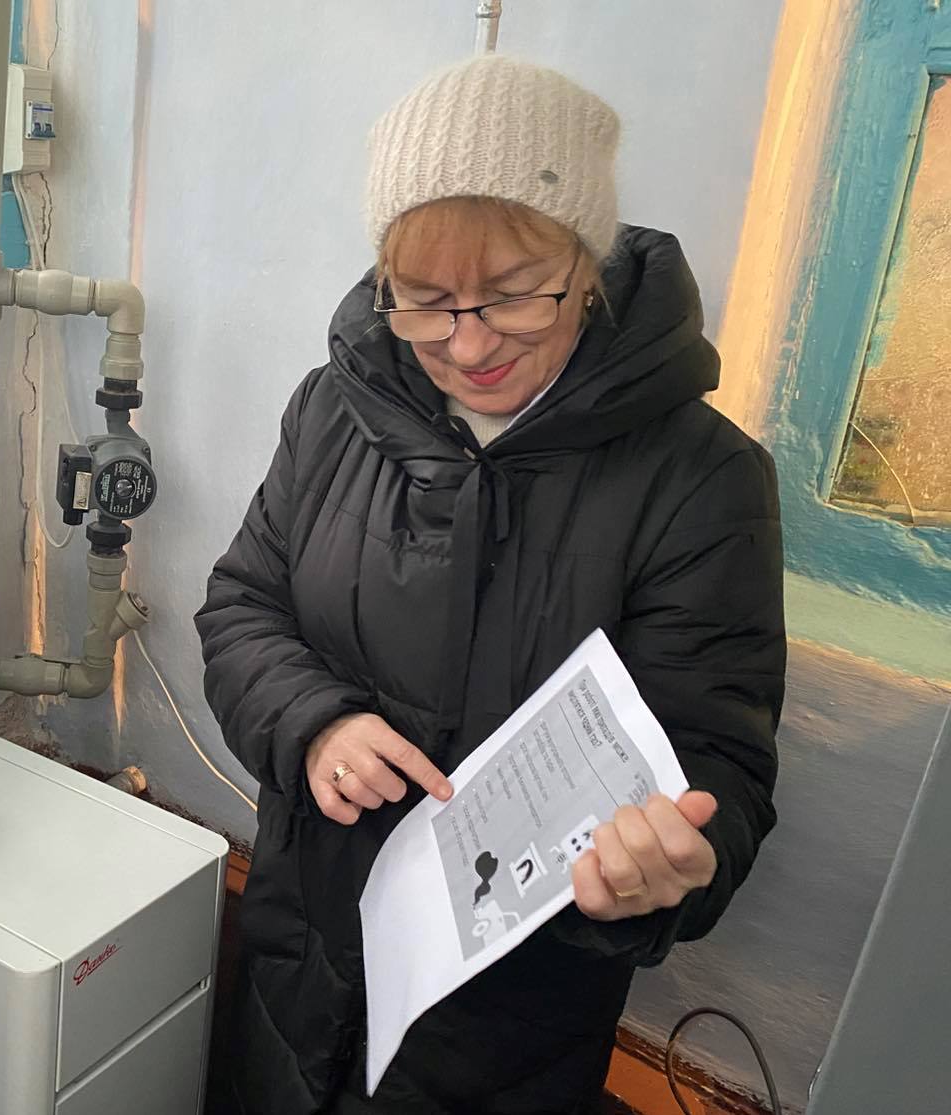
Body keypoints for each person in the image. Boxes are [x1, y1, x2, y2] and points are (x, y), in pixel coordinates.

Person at [196, 55, 784, 1115]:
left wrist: (663, 866)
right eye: (424, 303)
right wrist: (316, 724)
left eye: (514, 295)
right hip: (299, 956)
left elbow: (718, 761)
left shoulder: (700, 479)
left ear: (586, 263)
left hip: (506, 1029)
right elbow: (242, 604)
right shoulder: (333, 409)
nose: (467, 345)